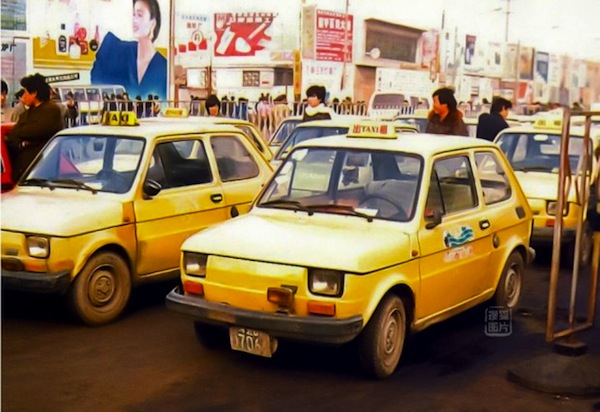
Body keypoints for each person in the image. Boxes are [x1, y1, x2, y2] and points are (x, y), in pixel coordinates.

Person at [90, 0, 167, 101]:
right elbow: (97, 79)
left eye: (139, 15)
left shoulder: (163, 68)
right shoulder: (119, 51)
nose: (134, 20)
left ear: (153, 23)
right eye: (134, 15)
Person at [5, 73, 64, 181]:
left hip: (42, 171)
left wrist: (20, 133)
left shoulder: (51, 110)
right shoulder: (27, 112)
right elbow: (13, 135)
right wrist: (22, 143)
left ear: (34, 93)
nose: (23, 96)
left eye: (26, 92)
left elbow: (35, 131)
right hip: (23, 171)